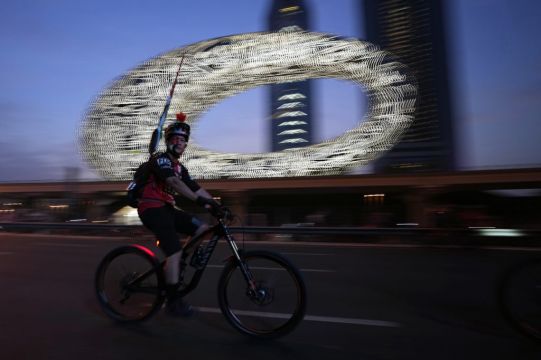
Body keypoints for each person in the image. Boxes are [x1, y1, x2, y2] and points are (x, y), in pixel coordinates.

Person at [137, 112, 221, 317]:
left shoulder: (180, 167)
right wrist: (199, 201)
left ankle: (178, 261)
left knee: (202, 228)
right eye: (176, 139)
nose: (180, 143)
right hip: (151, 209)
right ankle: (173, 302)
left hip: (167, 209)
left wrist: (215, 204)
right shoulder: (161, 160)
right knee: (173, 252)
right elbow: (174, 183)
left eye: (183, 140)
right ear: (168, 142)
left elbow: (194, 186)